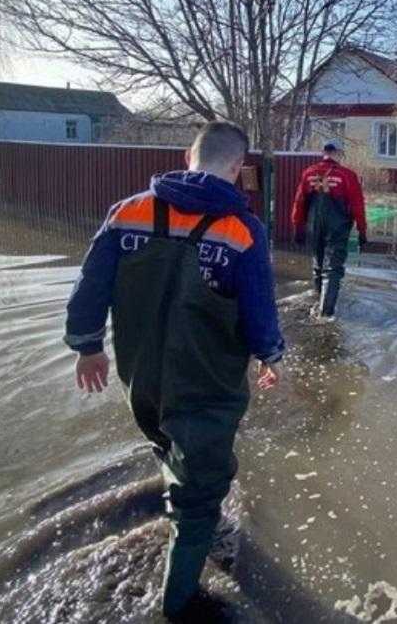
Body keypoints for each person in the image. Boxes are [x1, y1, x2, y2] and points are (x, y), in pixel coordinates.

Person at [64, 121, 284, 619]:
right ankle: (177, 602)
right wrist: (270, 356)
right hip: (205, 386)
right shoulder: (242, 232)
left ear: (189, 156)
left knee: (164, 440)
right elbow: (259, 313)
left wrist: (87, 346)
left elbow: (89, 287)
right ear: (236, 167)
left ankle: (183, 501)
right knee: (203, 490)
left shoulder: (129, 212)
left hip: (140, 378)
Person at [290, 139, 368, 319]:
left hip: (314, 226)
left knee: (317, 265)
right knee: (333, 269)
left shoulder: (309, 173)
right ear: (339, 153)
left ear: (323, 152)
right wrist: (362, 231)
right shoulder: (347, 175)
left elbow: (299, 202)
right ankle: (325, 316)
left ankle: (318, 302)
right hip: (337, 227)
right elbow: (357, 205)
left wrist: (297, 227)